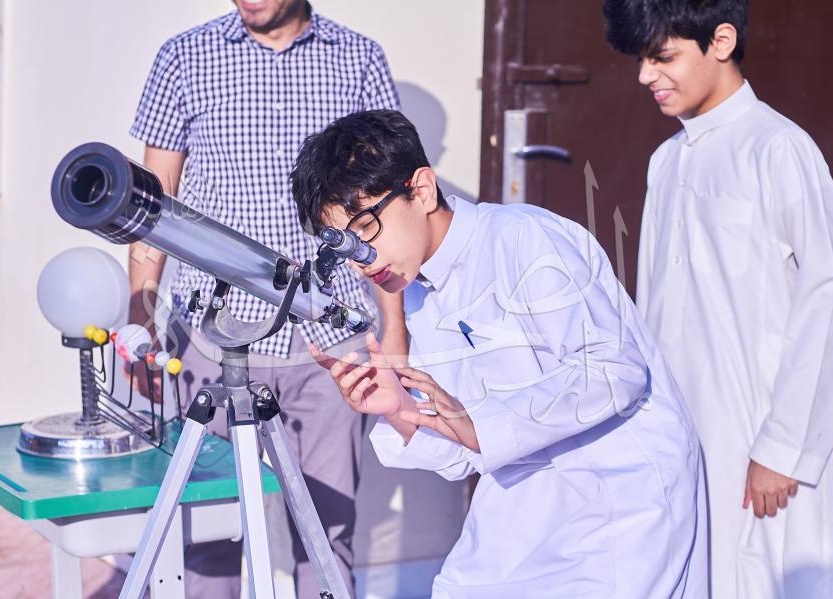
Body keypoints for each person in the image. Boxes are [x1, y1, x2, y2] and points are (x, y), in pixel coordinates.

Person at [292, 109, 708, 597]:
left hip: (618, 496)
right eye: (344, 245)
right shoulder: (418, 287)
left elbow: (616, 371)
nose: (361, 260)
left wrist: (481, 426)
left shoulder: (523, 238)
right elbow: (464, 450)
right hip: (524, 504)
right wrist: (399, 409)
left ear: (421, 189)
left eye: (365, 227)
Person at [127, 1, 403, 596]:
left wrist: (395, 328)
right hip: (212, 338)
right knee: (207, 536)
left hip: (330, 341)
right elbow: (152, 203)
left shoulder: (358, 59)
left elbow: (388, 208)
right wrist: (140, 318)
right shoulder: (183, 57)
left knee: (326, 535)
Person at [602, 1, 833, 596]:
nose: (646, 76)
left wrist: (783, 447)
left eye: (662, 57)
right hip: (681, 440)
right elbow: (653, 314)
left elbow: (829, 297)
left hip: (761, 447)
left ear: (722, 40)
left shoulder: (778, 148)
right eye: (641, 60)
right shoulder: (666, 161)